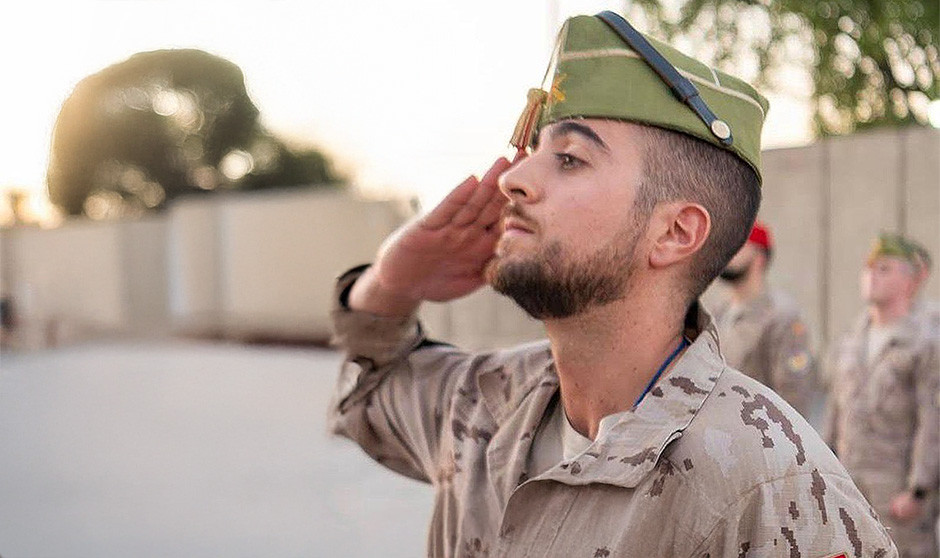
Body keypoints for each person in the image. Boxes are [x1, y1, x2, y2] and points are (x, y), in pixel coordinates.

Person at [328, 12, 897, 556]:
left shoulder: (768, 483)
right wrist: (390, 282)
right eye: (534, 152)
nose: (514, 178)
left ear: (675, 232)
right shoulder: (487, 402)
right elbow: (368, 395)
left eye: (570, 158)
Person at [825, 233, 939, 558]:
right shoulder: (852, 337)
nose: (871, 276)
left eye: (884, 269)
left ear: (911, 281)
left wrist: (918, 489)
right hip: (849, 485)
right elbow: (835, 410)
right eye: (868, 268)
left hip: (897, 492)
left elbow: (932, 420)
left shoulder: (926, 340)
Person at [712, 221, 816, 416]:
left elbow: (794, 398)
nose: (726, 252)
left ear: (759, 257)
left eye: (737, 245)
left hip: (758, 437)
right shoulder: (717, 313)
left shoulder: (782, 316)